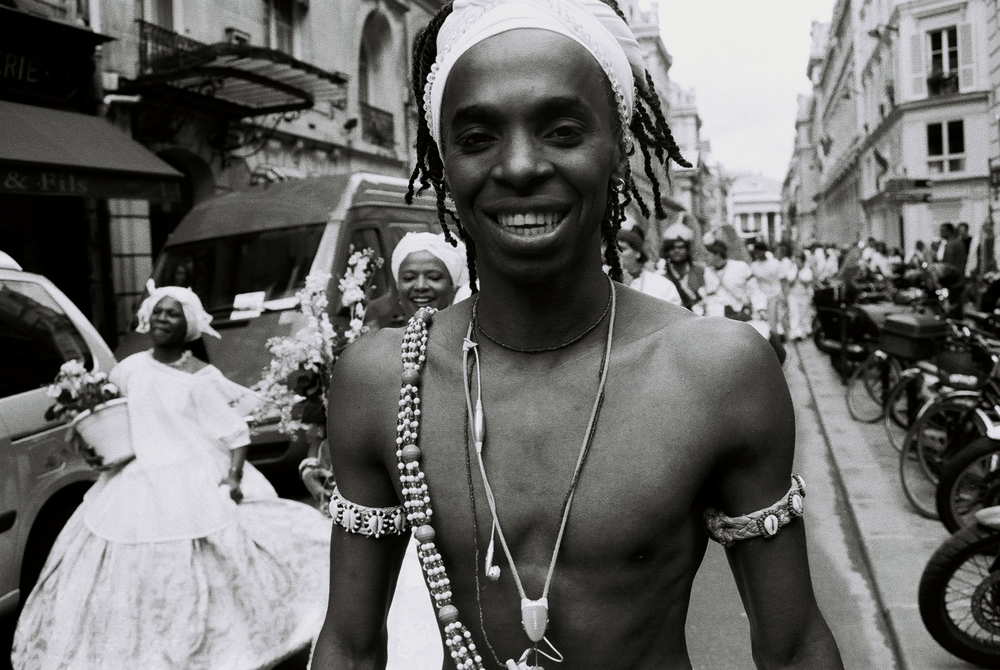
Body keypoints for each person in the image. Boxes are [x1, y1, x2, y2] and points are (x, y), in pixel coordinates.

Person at [311, 1, 842, 668]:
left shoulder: (717, 371)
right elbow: (349, 647)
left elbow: (792, 648)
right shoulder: (383, 380)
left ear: (618, 149)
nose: (521, 166)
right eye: (478, 138)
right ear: (444, 164)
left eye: (561, 131)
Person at [12, 284, 331, 670]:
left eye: (173, 313)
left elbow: (235, 433)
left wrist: (232, 479)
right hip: (133, 481)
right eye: (158, 312)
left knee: (218, 564)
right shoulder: (128, 369)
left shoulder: (201, 376)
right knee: (125, 573)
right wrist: (95, 452)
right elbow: (109, 421)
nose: (163, 319)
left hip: (195, 475)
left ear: (190, 324)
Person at [365, 231, 471, 331]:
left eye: (434, 277)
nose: (420, 286)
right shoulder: (378, 342)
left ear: (452, 285)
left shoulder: (468, 341)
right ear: (397, 284)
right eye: (409, 278)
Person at [617, 228, 682, 305]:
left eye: (622, 249)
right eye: (612, 249)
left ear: (637, 253)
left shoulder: (660, 284)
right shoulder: (604, 279)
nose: (616, 253)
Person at [703, 238, 755, 318]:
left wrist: (760, 308)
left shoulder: (740, 266)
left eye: (708, 254)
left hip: (739, 313)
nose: (705, 258)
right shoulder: (707, 272)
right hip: (717, 316)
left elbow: (754, 289)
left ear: (717, 254)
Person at [661, 235, 706, 312]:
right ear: (667, 252)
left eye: (680, 247)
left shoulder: (700, 272)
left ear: (687, 250)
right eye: (672, 248)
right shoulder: (663, 277)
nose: (676, 251)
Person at [786, 250, 815, 341]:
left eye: (799, 260)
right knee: (794, 314)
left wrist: (800, 272)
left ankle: (805, 331)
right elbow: (790, 282)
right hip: (793, 296)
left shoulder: (807, 270)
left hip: (804, 296)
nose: (797, 262)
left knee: (804, 314)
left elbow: (806, 282)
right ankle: (795, 333)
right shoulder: (792, 269)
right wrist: (796, 272)